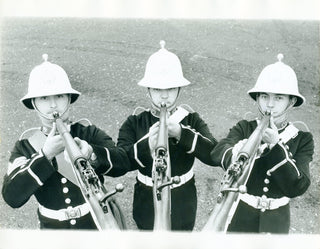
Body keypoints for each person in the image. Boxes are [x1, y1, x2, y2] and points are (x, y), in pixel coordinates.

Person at [2, 54, 129, 229]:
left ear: (69, 99)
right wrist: (45, 155)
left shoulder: (88, 133)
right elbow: (12, 197)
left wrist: (92, 153)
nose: (53, 105)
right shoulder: (24, 147)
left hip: (94, 225)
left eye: (60, 96)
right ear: (34, 103)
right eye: (44, 98)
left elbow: (123, 162)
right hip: (53, 231)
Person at [116, 41, 218, 231]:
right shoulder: (135, 122)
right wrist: (148, 144)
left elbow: (214, 154)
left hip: (183, 202)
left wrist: (182, 133)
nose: (164, 97)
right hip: (146, 201)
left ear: (179, 89)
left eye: (170, 89)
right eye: (157, 89)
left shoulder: (190, 119)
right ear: (148, 90)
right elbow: (121, 161)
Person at [210, 54, 314, 233]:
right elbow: (218, 152)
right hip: (241, 215)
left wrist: (276, 146)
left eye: (279, 98)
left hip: (276, 221)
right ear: (257, 98)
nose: (270, 105)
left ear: (292, 101)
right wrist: (238, 151)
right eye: (265, 97)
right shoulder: (245, 127)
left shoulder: (302, 139)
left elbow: (298, 186)